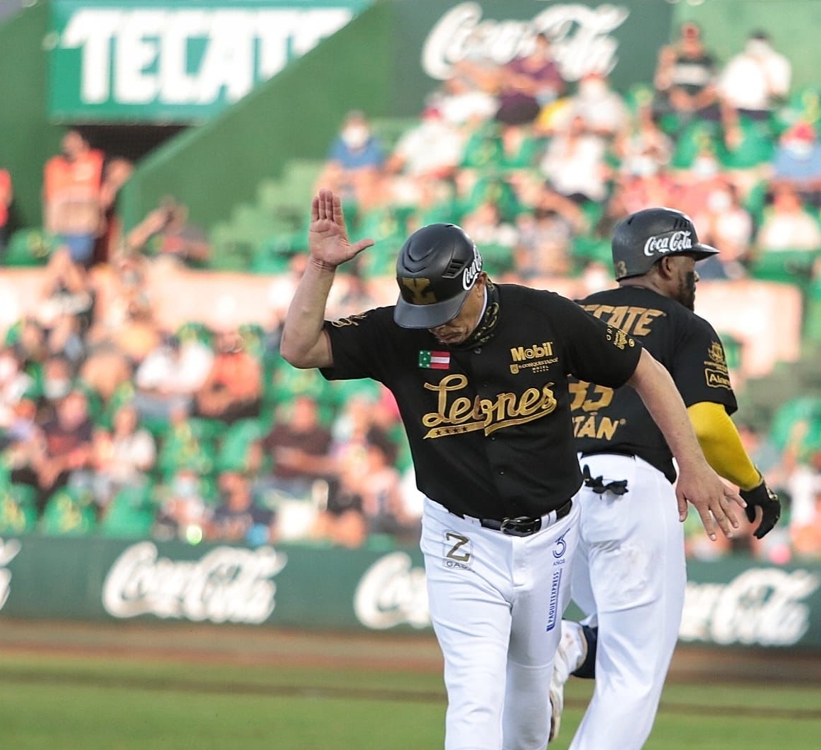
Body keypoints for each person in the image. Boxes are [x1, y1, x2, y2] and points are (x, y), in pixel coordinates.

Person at [280, 190, 741, 750]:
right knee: (474, 695)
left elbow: (646, 370)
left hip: (550, 537)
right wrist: (322, 267)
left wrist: (690, 464)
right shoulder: (400, 332)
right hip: (459, 539)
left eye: (445, 311)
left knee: (525, 707)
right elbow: (300, 347)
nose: (437, 326)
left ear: (477, 282)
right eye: (423, 313)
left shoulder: (544, 316)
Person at [548, 207, 781, 748]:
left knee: (613, 631)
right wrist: (753, 486)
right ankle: (562, 646)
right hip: (628, 487)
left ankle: (565, 647)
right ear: (667, 262)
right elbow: (705, 423)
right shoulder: (685, 326)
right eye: (691, 261)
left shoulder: (571, 315)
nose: (696, 272)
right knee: (635, 670)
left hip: (551, 495)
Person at [43, 130, 105, 266]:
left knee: (77, 259)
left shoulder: (95, 161)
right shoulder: (55, 166)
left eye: (74, 140)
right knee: (61, 259)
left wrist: (100, 215)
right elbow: (49, 198)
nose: (69, 144)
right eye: (67, 141)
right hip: (61, 226)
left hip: (83, 225)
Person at [717, 29, 791, 122]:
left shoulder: (778, 62)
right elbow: (723, 92)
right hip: (739, 110)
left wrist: (763, 67)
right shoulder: (737, 62)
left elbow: (779, 94)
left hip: (765, 111)